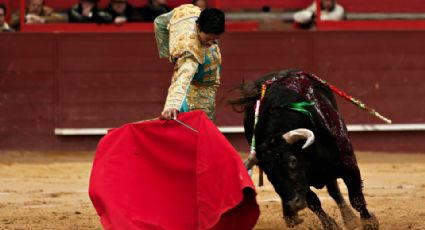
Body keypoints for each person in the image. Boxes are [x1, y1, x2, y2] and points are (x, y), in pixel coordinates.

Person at [154, 4, 225, 120]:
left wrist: (169, 50)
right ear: (197, 27)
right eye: (207, 39)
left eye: (215, 39)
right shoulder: (190, 51)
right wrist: (172, 105)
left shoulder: (189, 11)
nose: (210, 43)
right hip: (194, 97)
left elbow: (159, 22)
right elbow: (183, 77)